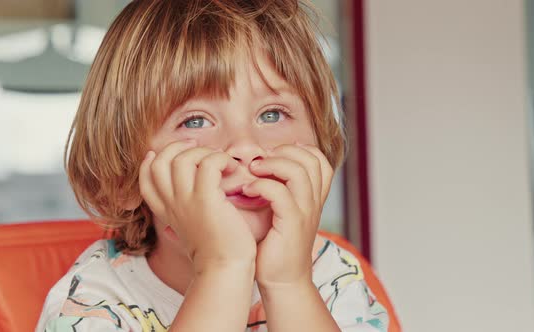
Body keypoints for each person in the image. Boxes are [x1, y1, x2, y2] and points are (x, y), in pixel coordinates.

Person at [36, 0, 389, 331]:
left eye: (272, 114)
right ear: (123, 180)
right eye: (195, 122)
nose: (246, 146)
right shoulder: (92, 301)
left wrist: (289, 283)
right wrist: (222, 268)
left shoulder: (331, 274)